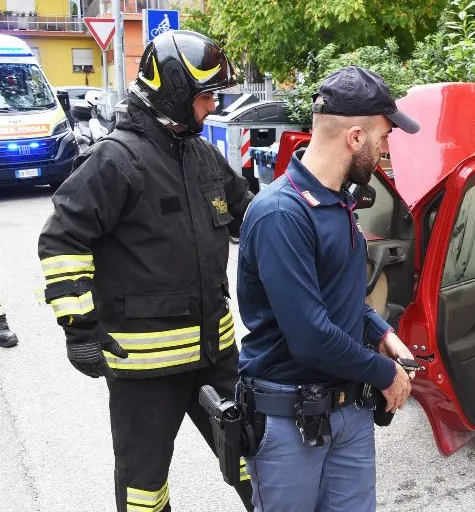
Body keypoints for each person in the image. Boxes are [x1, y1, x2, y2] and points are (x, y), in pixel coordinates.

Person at [37, 30, 254, 512]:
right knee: (144, 489)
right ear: (175, 92)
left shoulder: (202, 155)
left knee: (255, 461)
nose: (212, 108)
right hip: (146, 371)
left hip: (216, 356)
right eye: (204, 97)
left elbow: (253, 217)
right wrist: (79, 327)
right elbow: (61, 239)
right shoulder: (117, 160)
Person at [236, 65, 420, 511]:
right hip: (289, 418)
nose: (386, 148)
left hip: (349, 411)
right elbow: (311, 336)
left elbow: (340, 295)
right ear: (355, 137)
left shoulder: (337, 203)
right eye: (384, 137)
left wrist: (382, 332)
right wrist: (386, 374)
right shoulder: (282, 214)